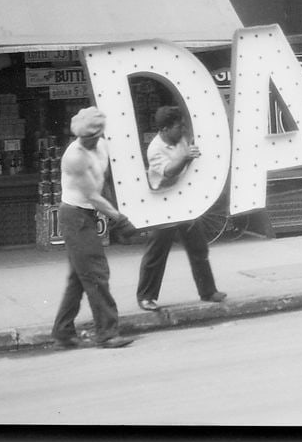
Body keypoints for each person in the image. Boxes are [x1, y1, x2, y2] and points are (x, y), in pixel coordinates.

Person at [51, 107, 135, 349]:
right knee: (96, 274)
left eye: (93, 136)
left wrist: (113, 210)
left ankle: (63, 332)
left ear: (100, 133)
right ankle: (107, 333)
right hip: (75, 216)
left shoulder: (102, 146)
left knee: (79, 277)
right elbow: (91, 195)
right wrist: (118, 217)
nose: (88, 140)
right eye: (84, 137)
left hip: (86, 214)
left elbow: (102, 183)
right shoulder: (74, 157)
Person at [136, 105, 227, 311]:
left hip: (184, 201)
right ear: (165, 129)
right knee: (157, 251)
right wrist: (185, 156)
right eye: (178, 127)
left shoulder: (181, 139)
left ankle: (208, 291)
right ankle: (146, 296)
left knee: (198, 247)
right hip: (164, 203)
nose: (182, 130)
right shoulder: (155, 148)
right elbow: (168, 172)